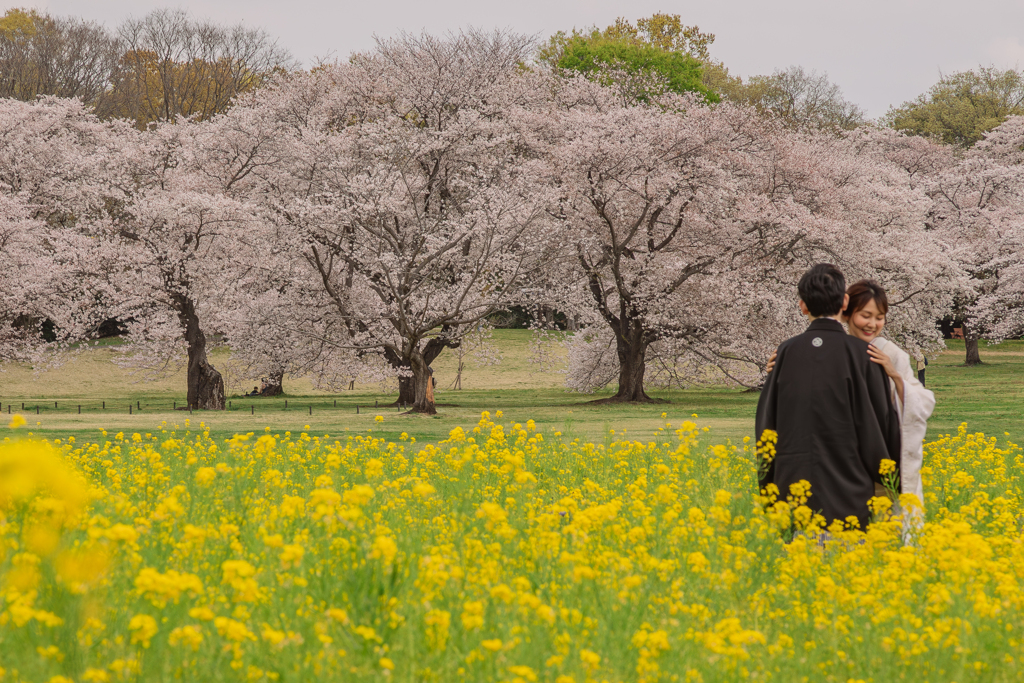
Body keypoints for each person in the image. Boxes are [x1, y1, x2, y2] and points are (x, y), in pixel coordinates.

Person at [756, 264, 901, 531]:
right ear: (845, 302)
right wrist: (891, 480)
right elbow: (881, 422)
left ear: (802, 306)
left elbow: (766, 423)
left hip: (791, 491)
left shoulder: (784, 353)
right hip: (850, 493)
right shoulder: (865, 355)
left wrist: (767, 484)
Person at [842, 280, 935, 516]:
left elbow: (923, 403)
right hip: (844, 460)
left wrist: (894, 375)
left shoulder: (892, 353)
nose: (872, 324)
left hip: (883, 458)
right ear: (847, 314)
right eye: (866, 315)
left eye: (879, 317)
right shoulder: (835, 351)